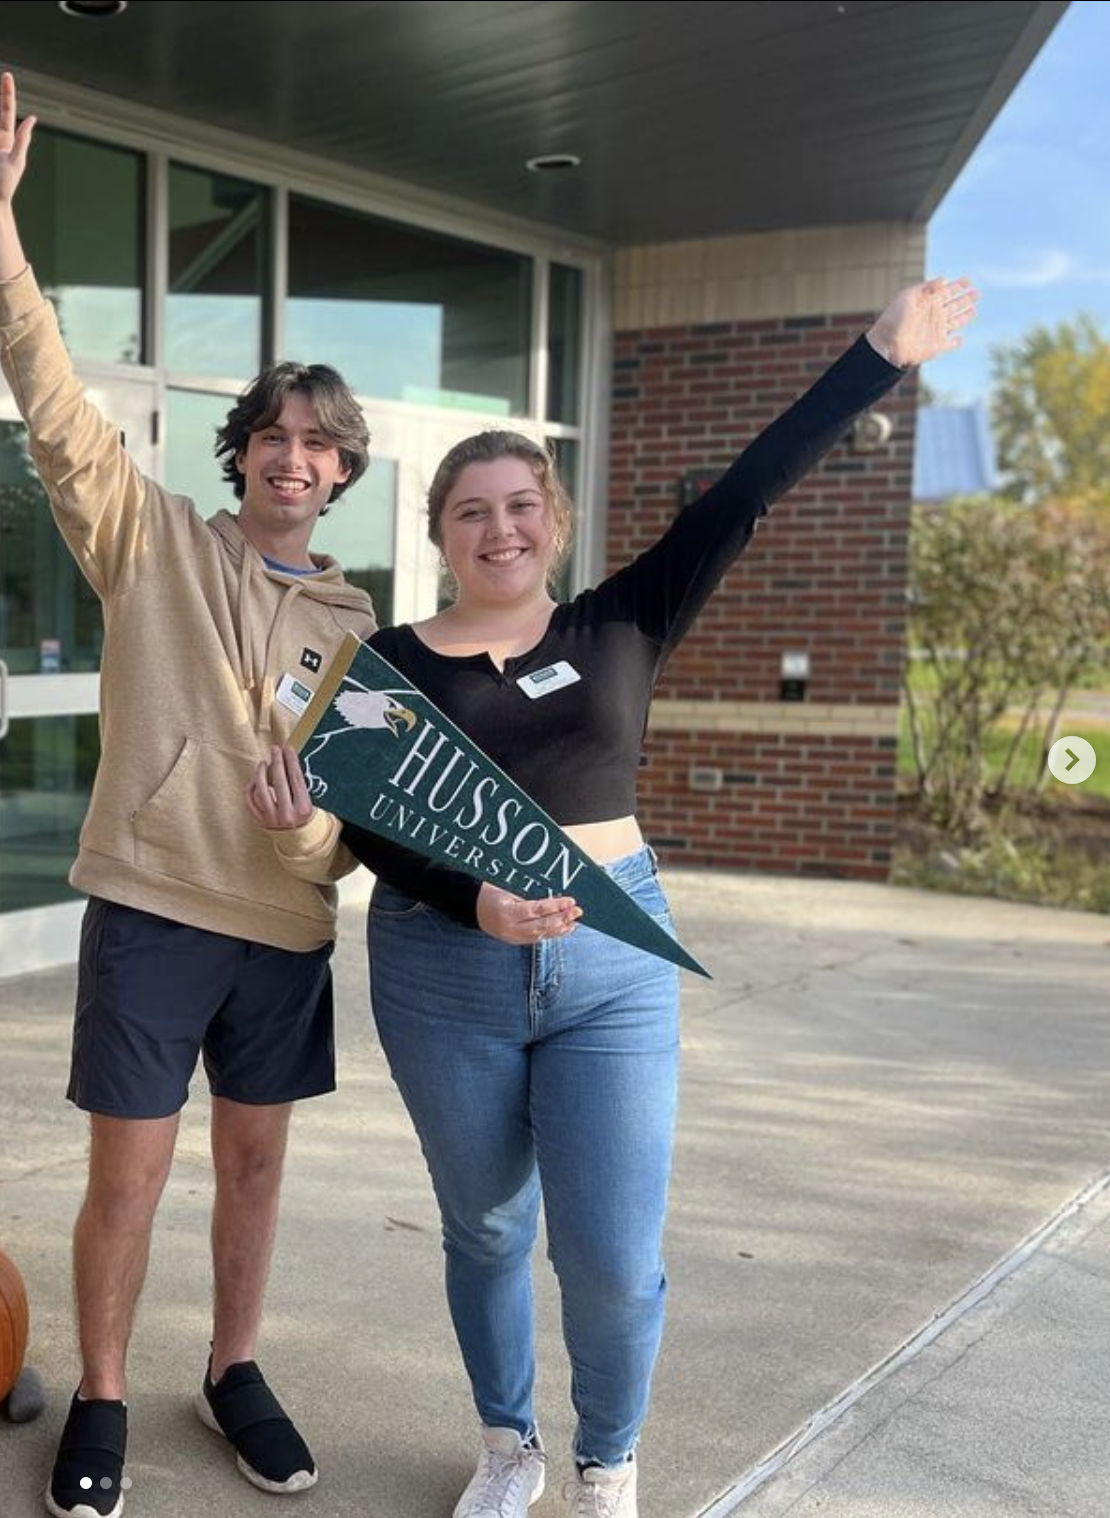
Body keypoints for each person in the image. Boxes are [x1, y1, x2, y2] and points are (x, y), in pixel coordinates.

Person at [250, 278, 977, 1518]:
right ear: (438, 533)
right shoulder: (390, 666)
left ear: (558, 519)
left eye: (520, 505)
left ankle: (605, 1464)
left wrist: (876, 357)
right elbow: (372, 823)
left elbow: (745, 491)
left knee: (612, 1259)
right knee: (483, 1231)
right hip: (442, 965)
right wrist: (453, 891)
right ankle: (506, 1445)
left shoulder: (623, 620)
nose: (498, 530)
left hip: (610, 968)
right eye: (471, 512)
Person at [0, 65, 379, 1518]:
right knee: (125, 1178)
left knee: (251, 1173)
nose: (295, 456)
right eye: (277, 432)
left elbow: (352, 819)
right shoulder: (152, 545)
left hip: (285, 926)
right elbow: (54, 406)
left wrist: (303, 825)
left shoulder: (356, 627)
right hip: (151, 907)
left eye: (320, 443)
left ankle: (233, 1368)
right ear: (242, 447)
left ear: (338, 473)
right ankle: (108, 1389)